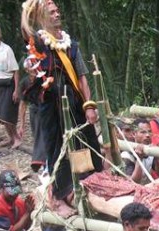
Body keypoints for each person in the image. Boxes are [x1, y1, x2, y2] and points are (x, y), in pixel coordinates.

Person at [20, 0, 103, 201]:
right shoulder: (37, 43)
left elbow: (82, 76)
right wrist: (29, 70)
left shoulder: (71, 44)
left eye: (58, 11)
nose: (57, 14)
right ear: (41, 17)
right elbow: (32, 69)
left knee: (84, 139)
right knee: (56, 147)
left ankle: (91, 182)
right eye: (52, 12)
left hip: (74, 101)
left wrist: (89, 105)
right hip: (51, 104)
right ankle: (62, 193)